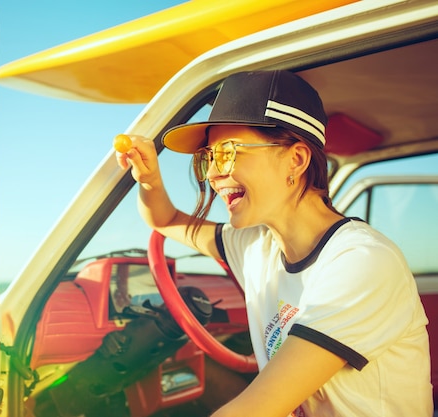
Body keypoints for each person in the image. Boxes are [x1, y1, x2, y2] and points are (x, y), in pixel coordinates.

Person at [116, 70, 432, 417]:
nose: (212, 174)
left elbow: (256, 410)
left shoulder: (361, 262)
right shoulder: (255, 245)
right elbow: (165, 221)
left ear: (295, 159)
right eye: (208, 158)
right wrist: (148, 180)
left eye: (228, 153)